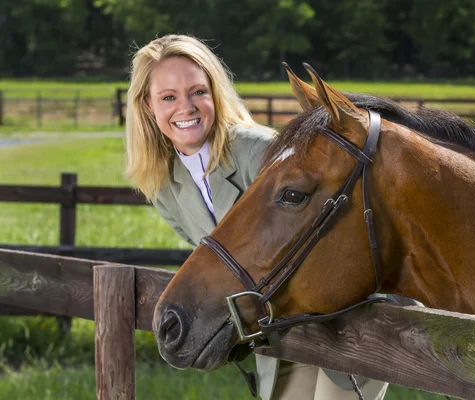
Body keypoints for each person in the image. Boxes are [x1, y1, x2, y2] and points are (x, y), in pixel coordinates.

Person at [125, 33, 389, 400]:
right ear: (147, 106)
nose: (186, 107)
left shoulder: (260, 152)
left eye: (198, 92)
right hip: (278, 343)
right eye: (168, 97)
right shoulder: (164, 187)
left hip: (341, 325)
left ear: (215, 94)